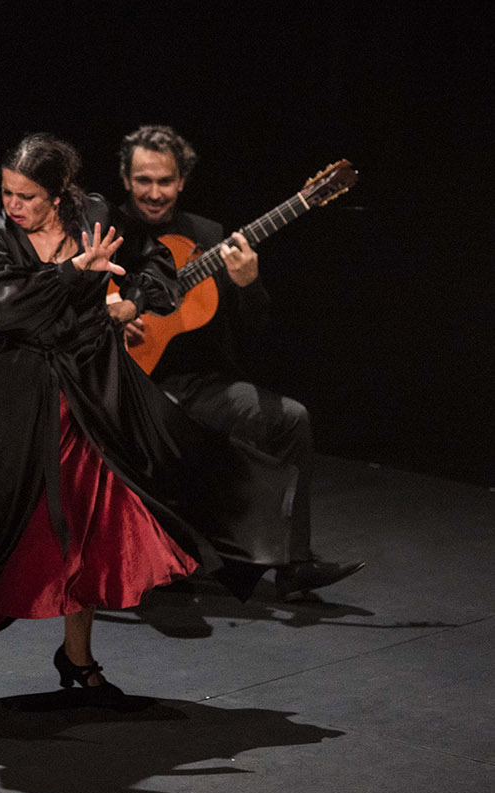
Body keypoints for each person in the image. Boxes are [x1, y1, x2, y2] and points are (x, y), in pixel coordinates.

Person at [0, 133, 297, 736]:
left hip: (92, 388)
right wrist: (71, 273)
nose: (14, 204)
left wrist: (132, 301)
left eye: (27, 195)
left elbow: (160, 259)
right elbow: (3, 305)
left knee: (87, 524)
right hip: (21, 392)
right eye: (7, 192)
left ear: (58, 196)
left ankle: (77, 660)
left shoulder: (96, 217)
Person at [113, 124, 365, 600]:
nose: (153, 192)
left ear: (182, 180)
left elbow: (255, 331)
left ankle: (294, 564)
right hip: (128, 387)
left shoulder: (208, 237)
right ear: (125, 179)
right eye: (143, 180)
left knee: (291, 419)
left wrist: (249, 284)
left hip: (200, 387)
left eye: (165, 181)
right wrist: (111, 321)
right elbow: (66, 300)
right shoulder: (106, 229)